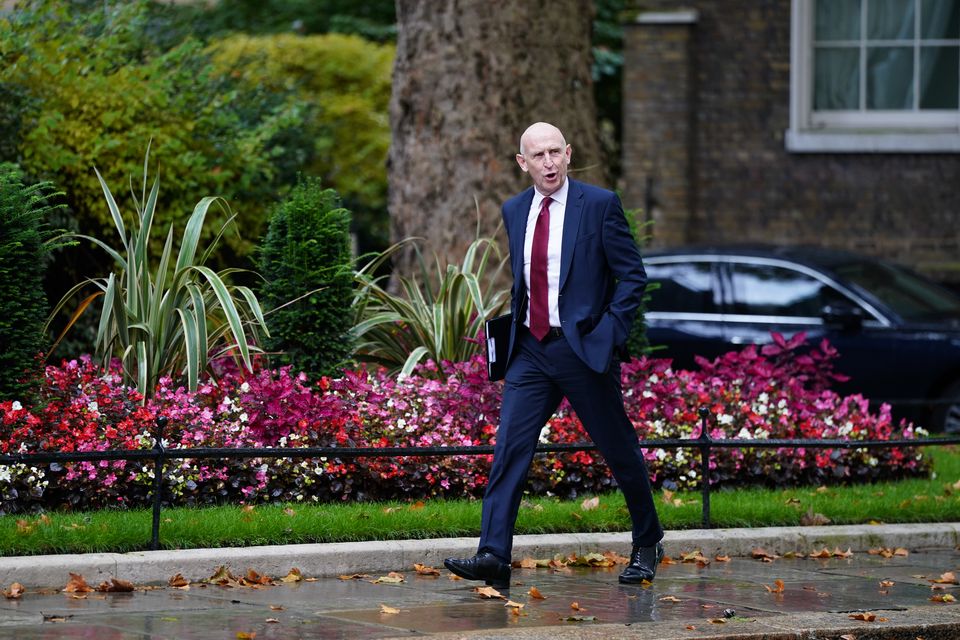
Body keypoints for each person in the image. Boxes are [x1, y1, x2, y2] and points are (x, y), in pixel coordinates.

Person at [444, 122, 664, 589]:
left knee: (618, 448)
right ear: (522, 163)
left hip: (583, 350)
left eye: (554, 153)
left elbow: (633, 277)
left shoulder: (599, 204)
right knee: (510, 449)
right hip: (530, 350)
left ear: (568, 154)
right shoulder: (514, 209)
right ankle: (493, 554)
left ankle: (648, 541)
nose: (548, 163)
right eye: (537, 156)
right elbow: (526, 279)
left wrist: (608, 334)